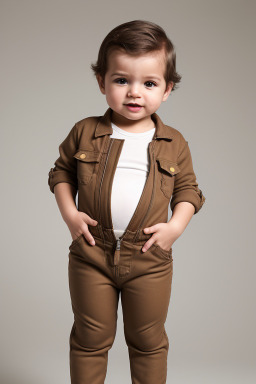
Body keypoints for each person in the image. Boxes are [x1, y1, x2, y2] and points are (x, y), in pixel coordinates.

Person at [48, 19, 206, 384]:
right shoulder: (85, 131)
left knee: (148, 341)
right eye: (122, 80)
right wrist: (70, 215)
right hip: (91, 253)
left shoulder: (174, 143)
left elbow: (188, 191)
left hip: (149, 257)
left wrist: (175, 228)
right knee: (89, 339)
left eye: (149, 83)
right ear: (102, 81)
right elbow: (61, 174)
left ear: (166, 90)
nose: (135, 93)